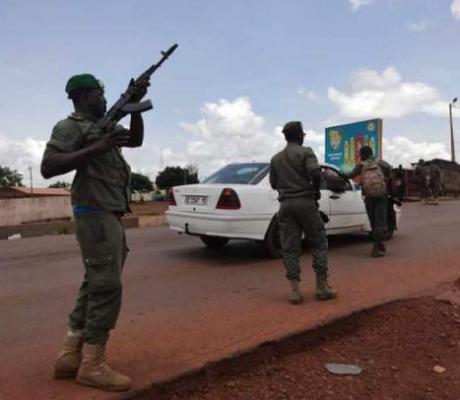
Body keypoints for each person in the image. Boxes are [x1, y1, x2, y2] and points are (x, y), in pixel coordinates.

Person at [41, 73, 149, 392]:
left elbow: (136, 140)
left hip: (109, 211)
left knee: (95, 282)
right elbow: (49, 166)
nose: (104, 98)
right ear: (84, 95)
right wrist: (98, 146)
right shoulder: (69, 126)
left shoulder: (104, 123)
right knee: (107, 286)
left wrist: (135, 107)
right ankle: (93, 365)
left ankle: (70, 356)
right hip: (95, 211)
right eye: (99, 93)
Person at [269, 121, 337, 304]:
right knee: (318, 243)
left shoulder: (276, 159)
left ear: (285, 136)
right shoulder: (306, 152)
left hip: (285, 206)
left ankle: (295, 291)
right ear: (300, 135)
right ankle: (322, 288)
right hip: (306, 203)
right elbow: (315, 173)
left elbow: (273, 183)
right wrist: (314, 191)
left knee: (290, 247)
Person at [346, 146, 392, 257]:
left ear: (362, 155)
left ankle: (378, 245)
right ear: (371, 153)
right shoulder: (380, 162)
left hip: (368, 196)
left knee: (373, 222)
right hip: (381, 195)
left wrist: (339, 174)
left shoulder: (361, 165)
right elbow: (390, 171)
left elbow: (350, 175)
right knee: (380, 222)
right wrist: (385, 180)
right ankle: (377, 247)